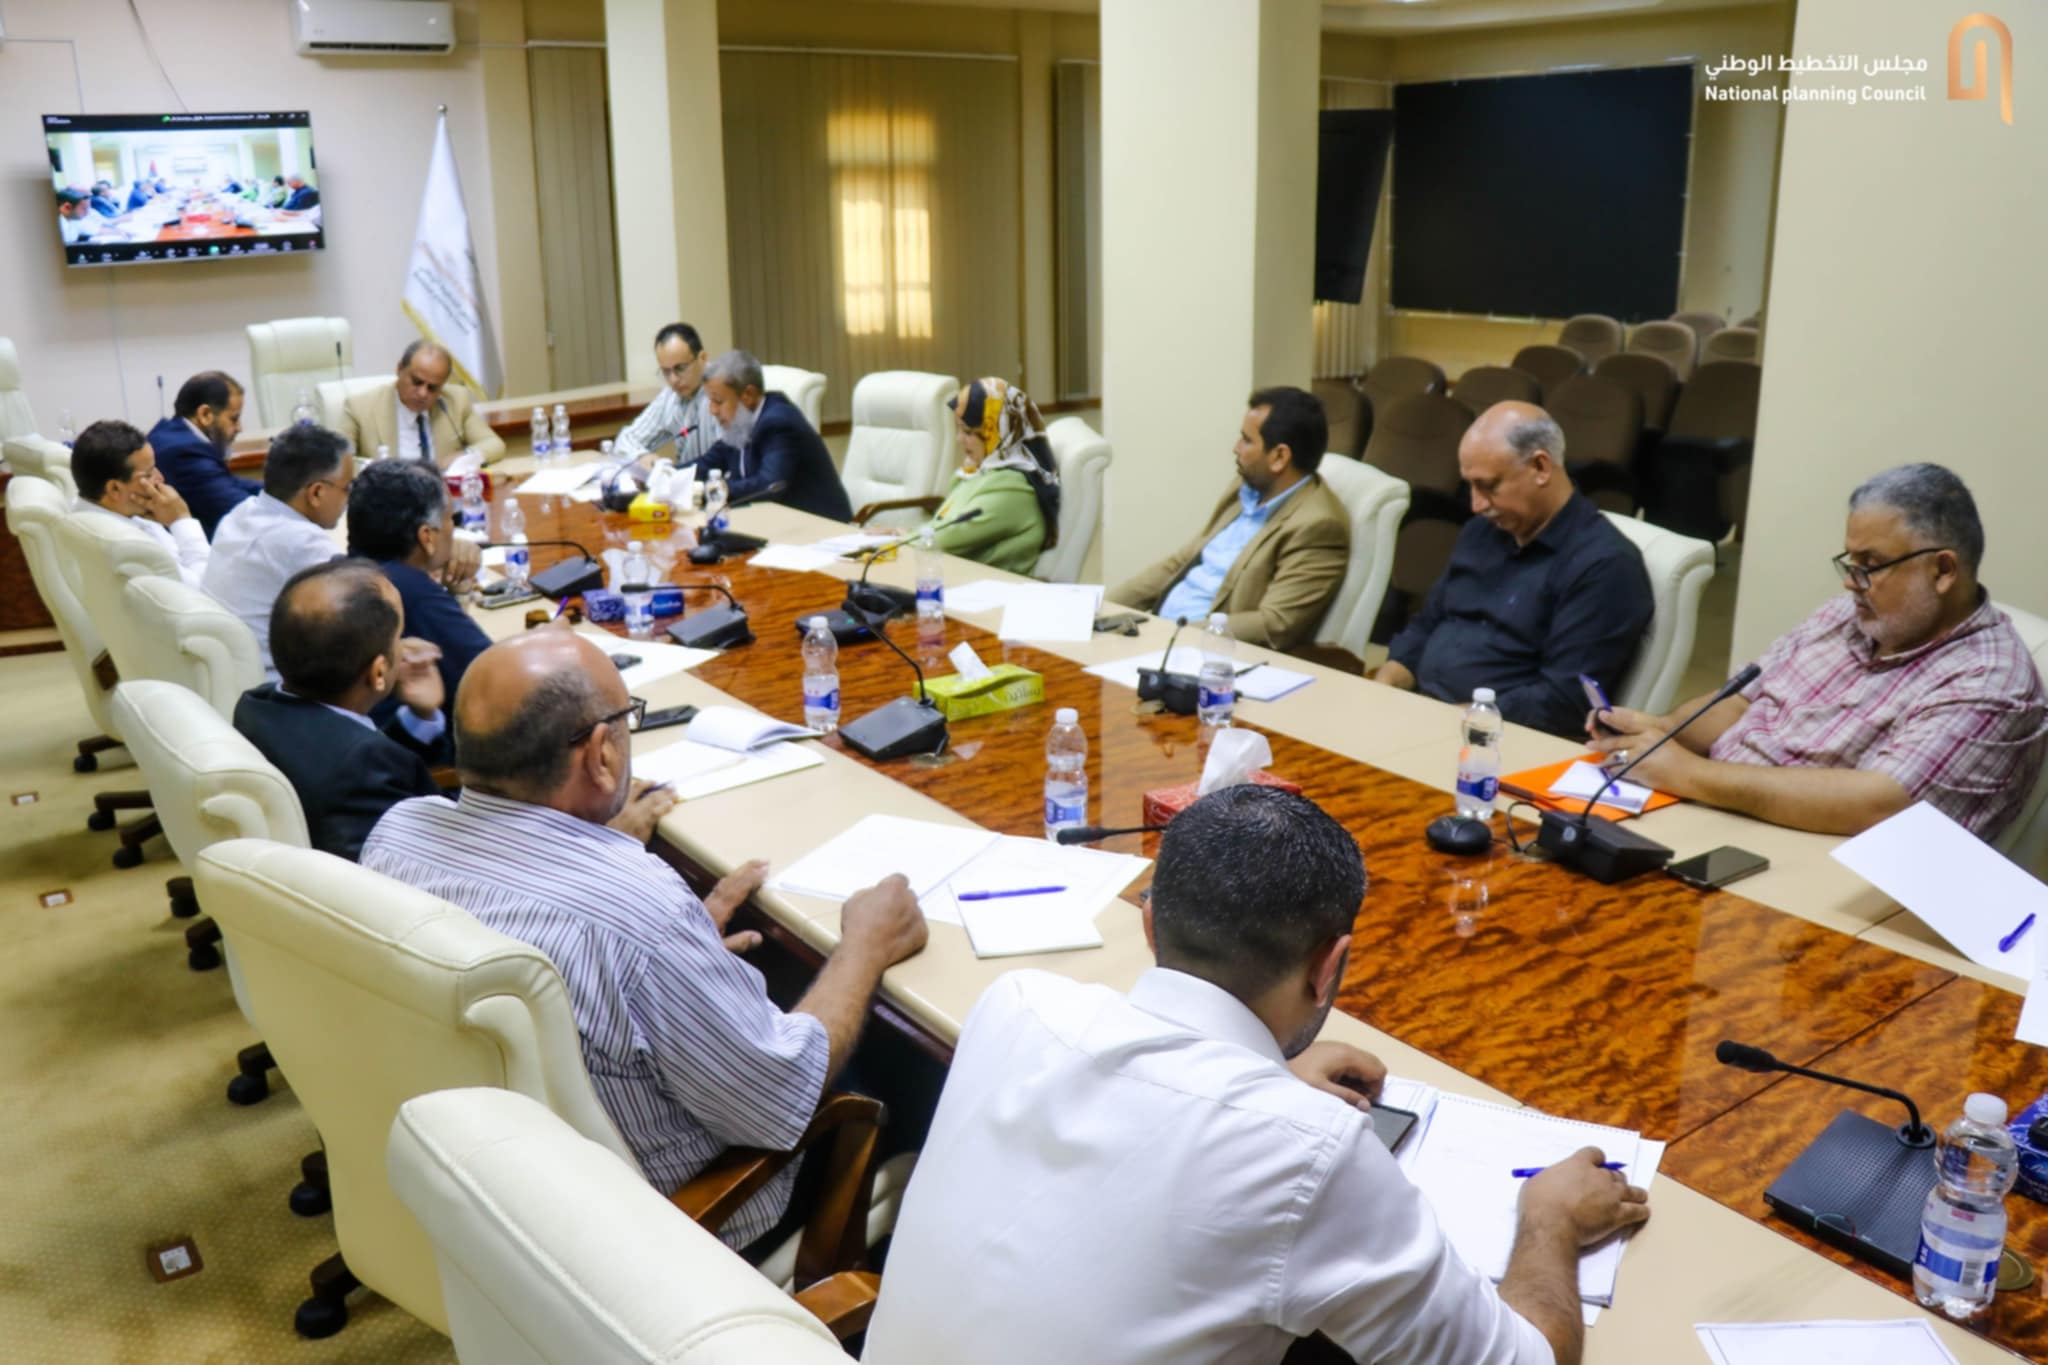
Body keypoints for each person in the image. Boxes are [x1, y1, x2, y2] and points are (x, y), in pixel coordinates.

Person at [864, 785, 1647, 1365]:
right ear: (1330, 966)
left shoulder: (1017, 1003)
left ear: (1149, 921)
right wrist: (1550, 1221)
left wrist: (1263, 1077)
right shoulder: (1313, 1150)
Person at [360, 630, 929, 1250]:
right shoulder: (636, 910)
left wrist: (677, 955)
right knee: (907, 1062)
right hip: (667, 1235)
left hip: (486, 1181)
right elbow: (783, 1094)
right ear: (601, 753)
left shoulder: (397, 835)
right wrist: (865, 946)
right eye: (626, 719)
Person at [1591, 463, 2048, 840]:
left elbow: (1878, 805)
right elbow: (1741, 702)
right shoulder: (1844, 616)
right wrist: (1663, 732)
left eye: (1871, 565)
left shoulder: (1990, 679)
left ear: (1943, 570)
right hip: (1716, 818)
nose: (1851, 582)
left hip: (1815, 873)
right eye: (1850, 562)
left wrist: (1687, 774)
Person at [1375, 401, 1653, 738]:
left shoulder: (1604, 566)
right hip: (1424, 717)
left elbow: (1562, 702)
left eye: (1488, 486)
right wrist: (1387, 683)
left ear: (1540, 467)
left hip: (1498, 742)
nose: (1476, 504)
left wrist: (1449, 721)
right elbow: (1428, 623)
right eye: (1469, 486)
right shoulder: (1481, 532)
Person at [233, 561, 452, 861]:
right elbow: (433, 851)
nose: (405, 647)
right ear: (378, 672)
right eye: (398, 637)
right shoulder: (360, 770)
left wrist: (421, 717)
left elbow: (346, 745)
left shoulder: (256, 705)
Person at [1107, 386, 1348, 651]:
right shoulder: (1246, 489)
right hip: (1160, 634)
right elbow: (1181, 562)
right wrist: (1104, 608)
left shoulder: (1318, 527)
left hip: (1205, 653)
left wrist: (1173, 636)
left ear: (1279, 456)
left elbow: (1273, 624)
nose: (1236, 448)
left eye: (1246, 440)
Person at [202, 424, 354, 674]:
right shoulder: (304, 543)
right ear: (316, 493)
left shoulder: (241, 512)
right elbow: (358, 618)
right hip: (272, 681)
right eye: (347, 488)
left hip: (225, 671)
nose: (348, 499)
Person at [345, 460, 492, 703]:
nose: (453, 529)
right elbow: (494, 676)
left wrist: (457, 591)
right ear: (427, 537)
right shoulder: (410, 592)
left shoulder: (343, 572)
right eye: (450, 518)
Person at [695, 349, 853, 523]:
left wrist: (713, 490)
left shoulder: (778, 423)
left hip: (822, 527)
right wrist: (673, 477)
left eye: (718, 401)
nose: (712, 410)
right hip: (775, 524)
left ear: (747, 395)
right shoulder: (741, 422)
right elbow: (706, 464)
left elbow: (769, 486)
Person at [924, 377, 1060, 575]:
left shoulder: (1012, 487)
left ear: (1001, 433)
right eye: (959, 430)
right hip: (959, 578)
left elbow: (943, 538)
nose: (959, 439)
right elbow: (941, 526)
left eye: (968, 432)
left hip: (987, 587)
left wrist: (893, 542)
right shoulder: (980, 471)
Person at [67, 420, 210, 588]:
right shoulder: (131, 546)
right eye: (148, 475)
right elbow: (208, 589)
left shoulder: (103, 508)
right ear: (114, 489)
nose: (160, 478)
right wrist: (181, 520)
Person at [335, 340, 506, 467]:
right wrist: (375, 471)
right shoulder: (359, 407)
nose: (423, 393)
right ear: (399, 369)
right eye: (417, 382)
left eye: (432, 388)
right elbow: (338, 461)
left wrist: (464, 456)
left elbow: (494, 444)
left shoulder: (456, 400)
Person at [147, 371, 258, 538]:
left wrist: (282, 491)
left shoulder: (172, 434)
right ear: (205, 415)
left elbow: (231, 482)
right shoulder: (184, 454)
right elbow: (245, 514)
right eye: (234, 419)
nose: (239, 428)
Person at [613, 322, 718, 467]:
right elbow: (626, 440)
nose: (673, 380)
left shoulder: (722, 393)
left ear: (703, 358)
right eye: (666, 372)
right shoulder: (670, 396)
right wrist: (644, 458)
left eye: (680, 368)